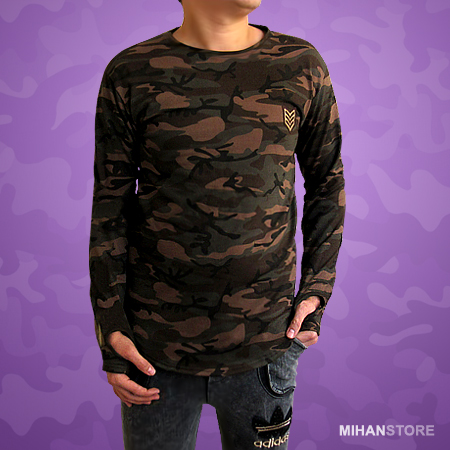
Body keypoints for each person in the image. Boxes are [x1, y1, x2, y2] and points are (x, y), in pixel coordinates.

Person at [89, 0, 345, 448]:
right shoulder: (131, 72)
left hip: (267, 343)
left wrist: (317, 289)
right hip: (153, 351)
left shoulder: (300, 65)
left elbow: (327, 183)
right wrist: (110, 325)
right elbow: (111, 206)